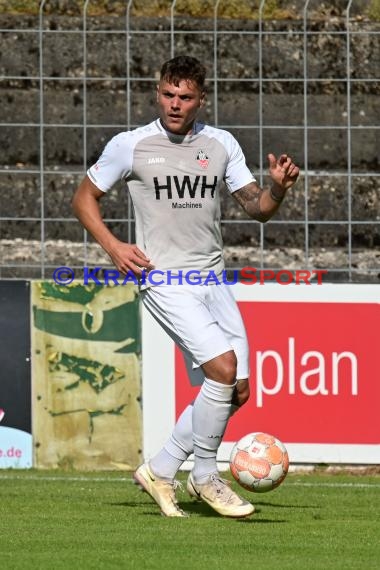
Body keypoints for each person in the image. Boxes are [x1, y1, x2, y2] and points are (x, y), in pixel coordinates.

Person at [72, 55, 299, 518]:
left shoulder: (220, 144)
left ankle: (160, 468)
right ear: (158, 93)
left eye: (186, 97)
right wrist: (114, 247)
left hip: (211, 277)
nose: (175, 104)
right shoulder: (130, 145)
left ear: (200, 99)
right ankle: (204, 477)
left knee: (235, 390)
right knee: (222, 366)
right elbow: (83, 198)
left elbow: (257, 208)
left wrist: (276, 188)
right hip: (164, 279)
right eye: (168, 94)